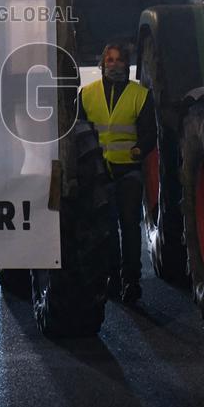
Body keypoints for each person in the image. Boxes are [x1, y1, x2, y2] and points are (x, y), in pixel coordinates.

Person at [78, 42, 155, 305]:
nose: (113, 64)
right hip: (99, 174)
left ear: (126, 64)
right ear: (102, 64)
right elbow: (80, 131)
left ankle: (131, 281)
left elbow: (149, 133)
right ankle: (112, 278)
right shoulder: (87, 94)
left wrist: (139, 150)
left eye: (119, 60)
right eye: (109, 60)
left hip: (128, 172)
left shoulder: (140, 95)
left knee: (130, 227)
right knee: (107, 228)